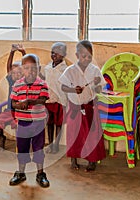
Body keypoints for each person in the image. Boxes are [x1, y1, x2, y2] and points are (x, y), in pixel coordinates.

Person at [59, 40, 106, 172]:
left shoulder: (95, 70)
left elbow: (99, 90)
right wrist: (74, 90)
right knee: (74, 134)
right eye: (83, 56)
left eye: (89, 56)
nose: (86, 59)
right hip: (75, 107)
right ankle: (73, 159)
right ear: (77, 55)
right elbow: (63, 87)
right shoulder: (70, 71)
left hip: (90, 107)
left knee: (91, 134)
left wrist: (96, 85)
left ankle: (92, 160)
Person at [9, 54, 50, 188]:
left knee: (38, 149)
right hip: (23, 123)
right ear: (22, 69)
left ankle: (40, 173)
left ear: (38, 68)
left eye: (33, 68)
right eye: (27, 68)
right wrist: (19, 105)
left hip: (38, 123)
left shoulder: (42, 84)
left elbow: (43, 100)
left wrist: (30, 101)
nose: (30, 71)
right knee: (22, 148)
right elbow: (13, 103)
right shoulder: (17, 85)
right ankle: (21, 172)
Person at [0, 44, 25, 149]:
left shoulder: (25, 82)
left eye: (19, 73)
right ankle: (2, 137)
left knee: (21, 126)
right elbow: (8, 66)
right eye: (13, 73)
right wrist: (12, 52)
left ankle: (22, 143)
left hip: (21, 113)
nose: (16, 75)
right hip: (9, 111)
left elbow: (28, 64)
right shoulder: (11, 81)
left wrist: (23, 52)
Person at [41, 42, 68, 154]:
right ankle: (50, 144)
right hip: (49, 99)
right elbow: (47, 80)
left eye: (57, 53)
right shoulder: (48, 67)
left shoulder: (65, 69)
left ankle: (56, 145)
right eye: (52, 52)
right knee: (49, 123)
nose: (54, 55)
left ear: (63, 55)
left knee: (58, 124)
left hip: (59, 100)